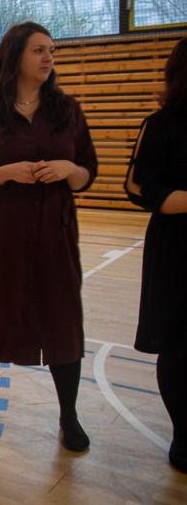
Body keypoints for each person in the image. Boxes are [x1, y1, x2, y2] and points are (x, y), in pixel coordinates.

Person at [0, 21, 98, 453]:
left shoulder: (67, 110)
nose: (48, 57)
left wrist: (69, 170)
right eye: (39, 50)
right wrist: (4, 173)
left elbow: (87, 172)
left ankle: (69, 416)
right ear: (15, 55)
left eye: (51, 49)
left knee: (61, 319)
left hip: (54, 235)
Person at [124, 37, 187, 473]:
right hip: (178, 250)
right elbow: (139, 186)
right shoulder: (163, 124)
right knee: (180, 347)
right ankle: (184, 431)